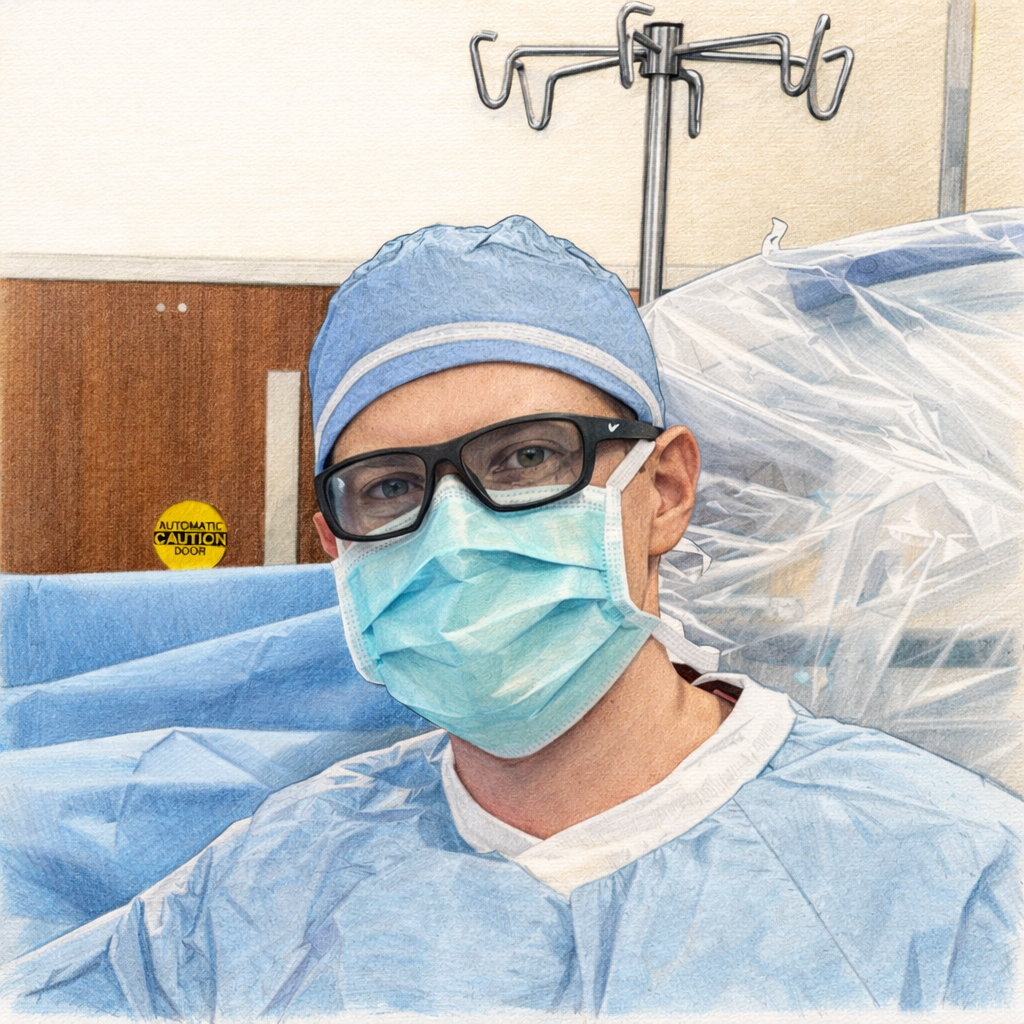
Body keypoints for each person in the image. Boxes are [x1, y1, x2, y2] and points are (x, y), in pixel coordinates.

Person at [4, 217, 1020, 1018]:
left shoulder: (952, 877)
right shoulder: (265, 893)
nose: (456, 532)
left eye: (527, 458)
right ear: (336, 546)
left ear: (661, 490)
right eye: (392, 486)